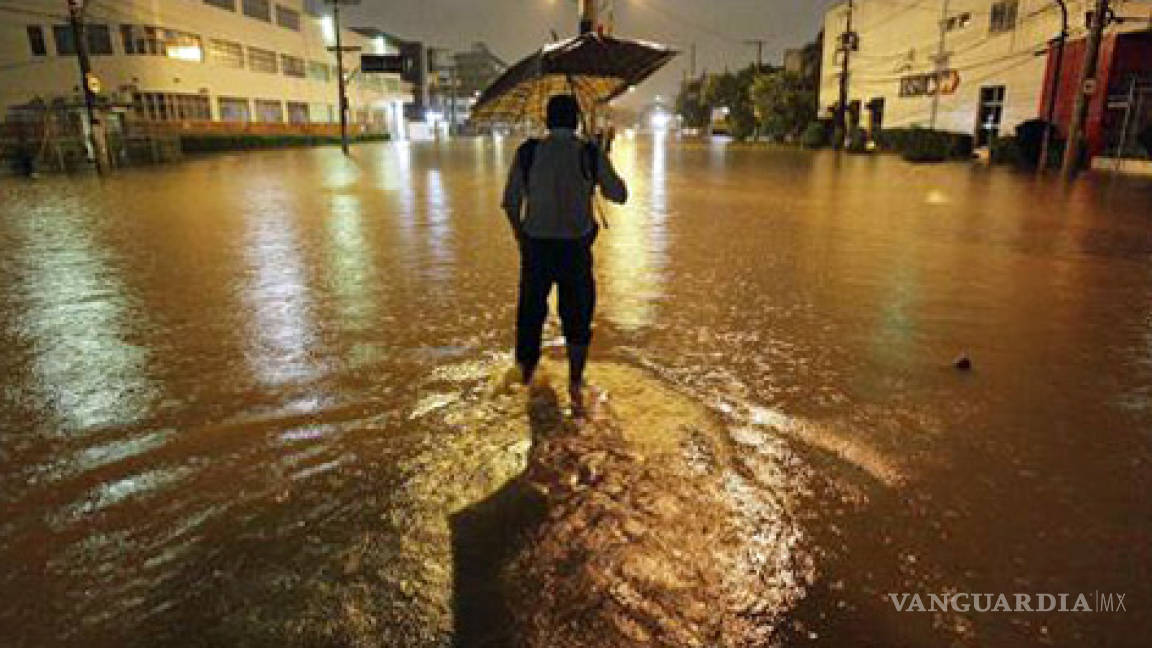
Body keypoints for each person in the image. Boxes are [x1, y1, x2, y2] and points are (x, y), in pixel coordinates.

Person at [501, 94, 628, 413]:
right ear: (575, 120)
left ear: (547, 120)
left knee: (530, 314)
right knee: (578, 314)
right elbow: (620, 195)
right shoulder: (588, 153)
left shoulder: (528, 153)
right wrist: (601, 159)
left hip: (536, 249)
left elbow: (511, 202)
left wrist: (520, 235)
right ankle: (575, 382)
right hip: (575, 249)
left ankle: (526, 380)